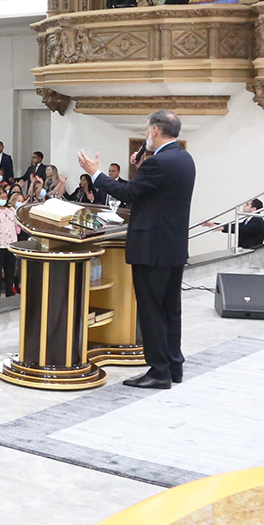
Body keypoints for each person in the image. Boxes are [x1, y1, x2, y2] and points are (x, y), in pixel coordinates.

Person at [79, 109, 196, 388]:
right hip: (173, 247)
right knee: (170, 309)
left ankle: (158, 372)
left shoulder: (158, 164)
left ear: (155, 131)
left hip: (152, 248)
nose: (146, 136)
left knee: (151, 310)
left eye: (146, 131)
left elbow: (129, 193)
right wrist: (142, 164)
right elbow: (152, 192)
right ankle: (173, 365)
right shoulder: (184, 158)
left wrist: (95, 173)